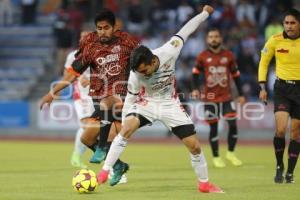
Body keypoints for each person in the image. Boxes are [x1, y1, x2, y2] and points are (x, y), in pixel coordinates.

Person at [97, 5, 224, 193]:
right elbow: (130, 101)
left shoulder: (169, 50)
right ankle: (104, 172)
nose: (142, 75)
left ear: (153, 61)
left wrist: (205, 13)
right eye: (139, 72)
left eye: (144, 70)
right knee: (126, 129)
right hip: (146, 103)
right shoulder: (135, 75)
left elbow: (187, 29)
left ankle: (204, 184)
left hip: (169, 104)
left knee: (195, 147)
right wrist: (125, 124)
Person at [40, 9, 139, 186]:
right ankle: (118, 166)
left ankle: (103, 151)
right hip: (102, 102)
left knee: (109, 113)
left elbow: (144, 59)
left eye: (106, 27)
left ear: (114, 27)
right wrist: (51, 93)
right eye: (99, 28)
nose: (102, 31)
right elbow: (71, 74)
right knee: (86, 139)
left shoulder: (127, 42)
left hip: (123, 97)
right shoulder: (91, 48)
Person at [191, 28, 246, 168]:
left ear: (220, 39)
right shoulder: (202, 56)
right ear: (207, 39)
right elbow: (195, 74)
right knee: (214, 128)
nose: (213, 39)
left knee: (233, 125)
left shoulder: (229, 55)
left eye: (216, 36)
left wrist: (240, 94)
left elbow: (236, 76)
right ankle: (216, 157)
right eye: (211, 37)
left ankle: (230, 153)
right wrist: (195, 89)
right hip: (210, 99)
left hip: (227, 97)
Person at [258, 8, 300, 184]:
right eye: (286, 23)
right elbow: (264, 62)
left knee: (296, 133)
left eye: (293, 23)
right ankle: (279, 165)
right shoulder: (275, 40)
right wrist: (262, 86)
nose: (289, 26)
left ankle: (290, 172)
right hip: (282, 88)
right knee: (281, 129)